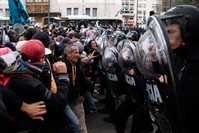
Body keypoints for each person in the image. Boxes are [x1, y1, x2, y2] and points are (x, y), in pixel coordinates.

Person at [3, 39, 70, 133]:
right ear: (41, 58)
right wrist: (63, 76)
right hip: (31, 126)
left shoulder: (16, 67)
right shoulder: (32, 83)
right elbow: (58, 103)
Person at [160, 5, 199, 133]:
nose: (165, 37)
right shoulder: (180, 56)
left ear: (188, 31)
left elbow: (181, 102)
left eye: (170, 32)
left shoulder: (195, 64)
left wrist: (164, 84)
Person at [60, 44, 98, 133]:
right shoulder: (61, 65)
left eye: (78, 52)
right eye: (76, 53)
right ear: (68, 54)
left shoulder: (77, 64)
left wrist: (92, 88)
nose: (78, 55)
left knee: (79, 122)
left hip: (75, 97)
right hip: (65, 99)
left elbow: (83, 79)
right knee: (72, 123)